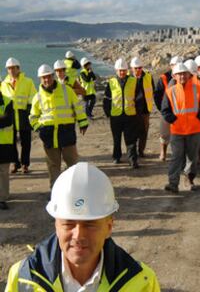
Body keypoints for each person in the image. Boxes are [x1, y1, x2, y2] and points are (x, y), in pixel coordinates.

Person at [5, 162, 160, 291]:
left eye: (90, 224)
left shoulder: (142, 282)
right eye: (68, 223)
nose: (78, 235)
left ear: (109, 227)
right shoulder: (23, 278)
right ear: (56, 225)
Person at [29, 64, 88, 189]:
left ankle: (75, 190)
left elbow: (77, 107)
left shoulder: (67, 90)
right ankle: (55, 192)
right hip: (49, 136)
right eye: (43, 78)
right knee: (53, 166)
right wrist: (40, 128)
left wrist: (83, 122)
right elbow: (33, 117)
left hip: (66, 133)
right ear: (40, 79)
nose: (46, 80)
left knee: (72, 163)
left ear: (52, 76)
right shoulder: (37, 97)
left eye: (48, 76)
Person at [161, 63, 200, 192]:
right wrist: (174, 120)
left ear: (189, 75)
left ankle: (189, 180)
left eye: (184, 73)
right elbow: (165, 111)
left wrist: (198, 119)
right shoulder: (170, 91)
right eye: (179, 74)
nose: (182, 76)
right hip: (177, 131)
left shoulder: (198, 88)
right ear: (174, 76)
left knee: (192, 158)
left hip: (194, 130)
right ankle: (173, 183)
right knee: (176, 157)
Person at [0, 57, 36, 174]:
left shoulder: (28, 81)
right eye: (9, 68)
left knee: (26, 142)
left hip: (23, 114)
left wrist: (29, 111)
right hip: (10, 116)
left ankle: (25, 164)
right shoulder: (3, 84)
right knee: (12, 142)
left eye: (13, 68)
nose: (11, 70)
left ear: (18, 68)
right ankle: (16, 163)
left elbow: (33, 98)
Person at [103, 58, 139, 168]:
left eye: (123, 70)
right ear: (116, 71)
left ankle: (132, 160)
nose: (122, 72)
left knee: (131, 140)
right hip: (116, 116)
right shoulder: (111, 82)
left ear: (127, 70)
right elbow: (107, 99)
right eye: (119, 70)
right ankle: (116, 157)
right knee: (116, 139)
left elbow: (139, 98)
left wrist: (137, 111)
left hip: (130, 116)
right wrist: (108, 113)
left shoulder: (133, 81)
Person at [154, 55, 183, 161]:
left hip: (181, 111)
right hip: (167, 110)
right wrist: (162, 109)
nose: (176, 67)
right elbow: (157, 95)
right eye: (174, 65)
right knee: (164, 134)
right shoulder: (164, 78)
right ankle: (163, 153)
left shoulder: (185, 76)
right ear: (170, 66)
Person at [130, 56, 155, 158]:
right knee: (133, 132)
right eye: (136, 68)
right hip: (132, 110)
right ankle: (133, 151)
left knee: (144, 132)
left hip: (145, 110)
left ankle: (141, 151)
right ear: (132, 68)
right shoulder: (128, 78)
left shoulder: (148, 77)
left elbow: (152, 90)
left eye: (139, 68)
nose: (138, 70)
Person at [0, 89, 15, 210]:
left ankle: (2, 198)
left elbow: (8, 121)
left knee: (4, 172)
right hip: (5, 142)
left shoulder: (7, 101)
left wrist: (3, 119)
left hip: (5, 143)